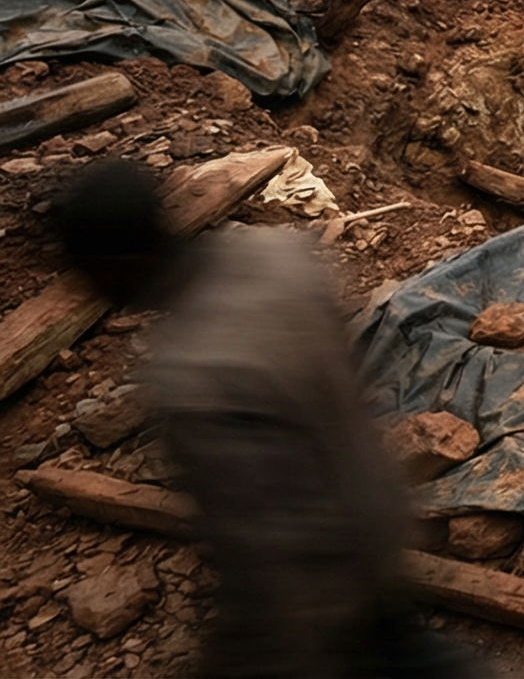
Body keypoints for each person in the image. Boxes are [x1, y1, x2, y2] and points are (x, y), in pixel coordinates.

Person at [51, 157, 478, 677]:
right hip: (377, 519)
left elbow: (270, 541)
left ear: (117, 261)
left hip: (324, 600)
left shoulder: (197, 373)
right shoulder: (274, 256)